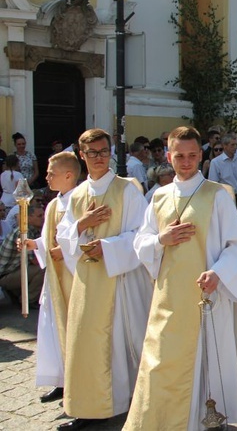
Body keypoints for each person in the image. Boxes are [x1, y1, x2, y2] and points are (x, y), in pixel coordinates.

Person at [125, 126, 237, 430]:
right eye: (179, 155)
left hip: (206, 294)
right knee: (162, 359)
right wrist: (160, 240)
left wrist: (218, 273)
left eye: (192, 155)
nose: (185, 161)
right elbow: (141, 241)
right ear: (169, 156)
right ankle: (165, 417)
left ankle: (205, 418)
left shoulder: (217, 196)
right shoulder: (158, 198)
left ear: (201, 155)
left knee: (207, 358)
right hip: (168, 295)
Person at [56, 128, 153, 430]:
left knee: (118, 343)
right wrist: (82, 224)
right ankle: (88, 407)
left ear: (111, 152)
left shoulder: (127, 190)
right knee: (86, 343)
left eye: (103, 151)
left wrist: (107, 247)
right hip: (87, 282)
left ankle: (122, 404)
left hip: (119, 281)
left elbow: (141, 235)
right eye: (91, 153)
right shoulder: (77, 195)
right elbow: (64, 236)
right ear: (82, 157)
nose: (98, 158)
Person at [23, 152, 80, 404]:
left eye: (50, 172)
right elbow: (48, 240)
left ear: (68, 175)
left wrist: (66, 249)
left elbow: (84, 240)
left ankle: (75, 380)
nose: (46, 176)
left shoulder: (80, 201)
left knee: (71, 330)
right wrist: (32, 244)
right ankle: (60, 379)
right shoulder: (54, 204)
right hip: (54, 278)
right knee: (52, 329)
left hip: (73, 276)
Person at [0, 204, 45, 306]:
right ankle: (28, 301)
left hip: (13, 270)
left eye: (43, 215)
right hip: (4, 275)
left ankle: (18, 294)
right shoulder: (24, 233)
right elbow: (35, 261)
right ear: (28, 218)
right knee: (42, 269)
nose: (43, 218)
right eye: (39, 216)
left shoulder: (33, 230)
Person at [208, 133, 237, 215]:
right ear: (225, 146)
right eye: (232, 145)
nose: (235, 147)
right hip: (226, 199)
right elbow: (213, 185)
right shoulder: (216, 162)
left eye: (236, 144)